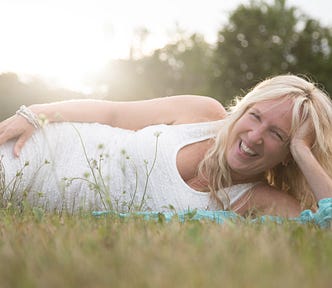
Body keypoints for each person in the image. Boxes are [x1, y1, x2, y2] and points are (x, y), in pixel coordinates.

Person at [0, 74, 332, 216]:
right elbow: (112, 112)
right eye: (255, 116)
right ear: (243, 108)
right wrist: (36, 114)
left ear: (289, 154)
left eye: (278, 135)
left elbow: (325, 229)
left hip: (49, 200)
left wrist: (303, 150)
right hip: (43, 148)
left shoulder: (258, 200)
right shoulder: (203, 113)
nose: (256, 136)